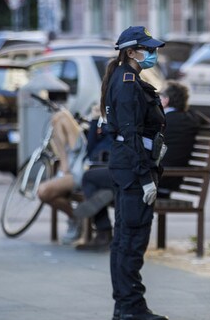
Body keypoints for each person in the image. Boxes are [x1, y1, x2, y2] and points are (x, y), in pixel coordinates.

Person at [74, 81, 201, 251]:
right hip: (170, 180)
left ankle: (103, 231)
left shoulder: (159, 121)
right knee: (110, 181)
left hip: (149, 177)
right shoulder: (190, 120)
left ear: (166, 100)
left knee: (90, 177)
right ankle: (108, 196)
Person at [103, 26, 169, 320]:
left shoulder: (122, 77)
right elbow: (130, 134)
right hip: (133, 168)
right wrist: (145, 178)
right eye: (148, 50)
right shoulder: (127, 83)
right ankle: (131, 306)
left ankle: (124, 304)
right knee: (131, 238)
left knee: (123, 238)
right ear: (131, 52)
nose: (153, 54)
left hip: (127, 166)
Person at [36, 108, 111, 244]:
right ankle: (75, 217)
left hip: (87, 168)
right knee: (58, 116)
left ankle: (75, 217)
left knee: (43, 191)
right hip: (84, 160)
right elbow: (91, 147)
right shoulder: (103, 120)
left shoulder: (118, 121)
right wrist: (94, 120)